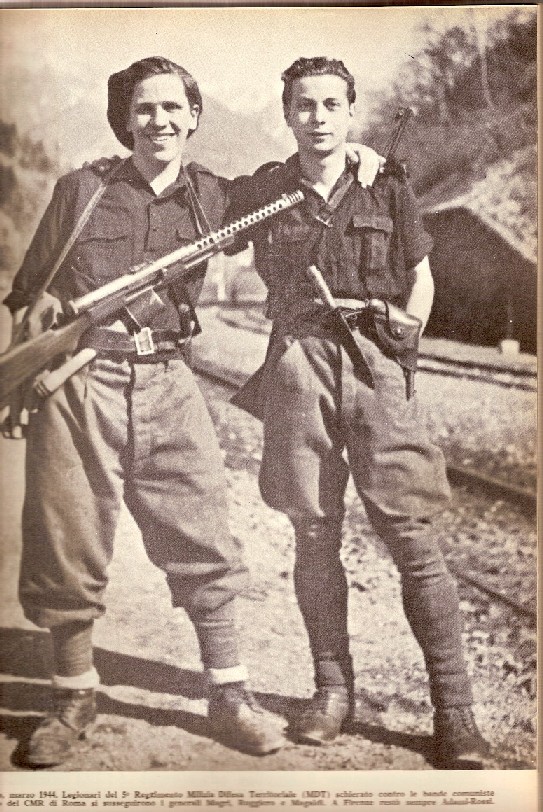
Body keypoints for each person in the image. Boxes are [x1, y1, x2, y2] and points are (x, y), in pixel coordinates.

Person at [2, 56, 383, 768]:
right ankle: (72, 697)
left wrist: (354, 152)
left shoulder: (217, 196)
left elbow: (297, 181)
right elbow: (32, 291)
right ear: (125, 119)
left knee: (204, 535)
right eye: (144, 109)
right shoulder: (82, 190)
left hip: (170, 380)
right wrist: (40, 325)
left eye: (173, 108)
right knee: (67, 539)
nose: (159, 121)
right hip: (83, 383)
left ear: (194, 117)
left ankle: (229, 696)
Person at [226, 56, 490, 769]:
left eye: (331, 105)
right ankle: (332, 692)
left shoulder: (388, 182)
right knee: (314, 532)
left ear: (350, 111)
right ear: (287, 113)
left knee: (412, 535)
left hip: (374, 359)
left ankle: (456, 714)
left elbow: (421, 276)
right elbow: (194, 207)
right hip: (297, 364)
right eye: (304, 105)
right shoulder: (267, 189)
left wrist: (406, 340)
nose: (317, 117)